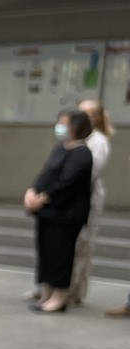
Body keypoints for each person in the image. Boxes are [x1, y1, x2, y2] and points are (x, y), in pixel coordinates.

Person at [25, 108, 95, 313]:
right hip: (48, 213)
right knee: (46, 253)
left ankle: (59, 297)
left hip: (66, 214)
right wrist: (32, 191)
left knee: (60, 254)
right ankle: (46, 292)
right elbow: (46, 173)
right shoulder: (60, 148)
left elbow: (67, 181)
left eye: (64, 123)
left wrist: (44, 198)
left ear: (76, 126)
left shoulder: (82, 153)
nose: (60, 126)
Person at [69, 99, 113, 308]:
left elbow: (88, 172)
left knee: (82, 246)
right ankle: (53, 286)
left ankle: (75, 291)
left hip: (86, 197)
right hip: (67, 197)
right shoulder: (74, 137)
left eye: (84, 113)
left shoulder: (99, 141)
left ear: (95, 118)